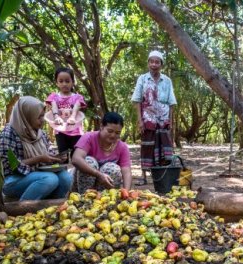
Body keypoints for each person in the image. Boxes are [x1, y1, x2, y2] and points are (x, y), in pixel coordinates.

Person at [0, 96, 72, 200]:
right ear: (27, 116)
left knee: (66, 178)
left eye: (43, 116)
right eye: (39, 117)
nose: (42, 120)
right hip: (13, 180)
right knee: (50, 179)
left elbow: (49, 151)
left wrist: (57, 158)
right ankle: (23, 210)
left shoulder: (40, 133)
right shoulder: (9, 133)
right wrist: (39, 159)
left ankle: (48, 208)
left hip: (37, 175)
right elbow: (9, 165)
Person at [131, 50, 177, 186]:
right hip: (148, 118)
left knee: (165, 147)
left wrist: (171, 122)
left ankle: (163, 176)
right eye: (151, 61)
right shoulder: (143, 79)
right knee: (147, 146)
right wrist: (140, 121)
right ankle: (144, 177)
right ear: (148, 63)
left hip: (163, 119)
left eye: (157, 62)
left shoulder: (167, 80)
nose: (154, 64)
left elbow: (171, 102)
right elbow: (137, 100)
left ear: (161, 64)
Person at [72, 112, 132, 193]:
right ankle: (84, 199)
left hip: (105, 188)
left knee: (113, 168)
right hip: (84, 186)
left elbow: (126, 171)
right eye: (110, 131)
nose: (113, 135)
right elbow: (76, 159)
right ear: (101, 127)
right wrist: (99, 175)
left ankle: (105, 201)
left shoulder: (122, 147)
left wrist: (126, 192)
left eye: (117, 133)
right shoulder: (89, 137)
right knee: (89, 161)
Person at [45, 67, 87, 157]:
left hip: (76, 131)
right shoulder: (54, 97)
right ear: (57, 82)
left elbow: (77, 106)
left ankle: (77, 171)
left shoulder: (77, 97)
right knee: (63, 157)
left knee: (76, 156)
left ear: (72, 82)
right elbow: (54, 106)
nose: (64, 84)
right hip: (60, 132)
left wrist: (72, 117)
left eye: (67, 81)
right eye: (61, 81)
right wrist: (56, 117)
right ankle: (63, 170)